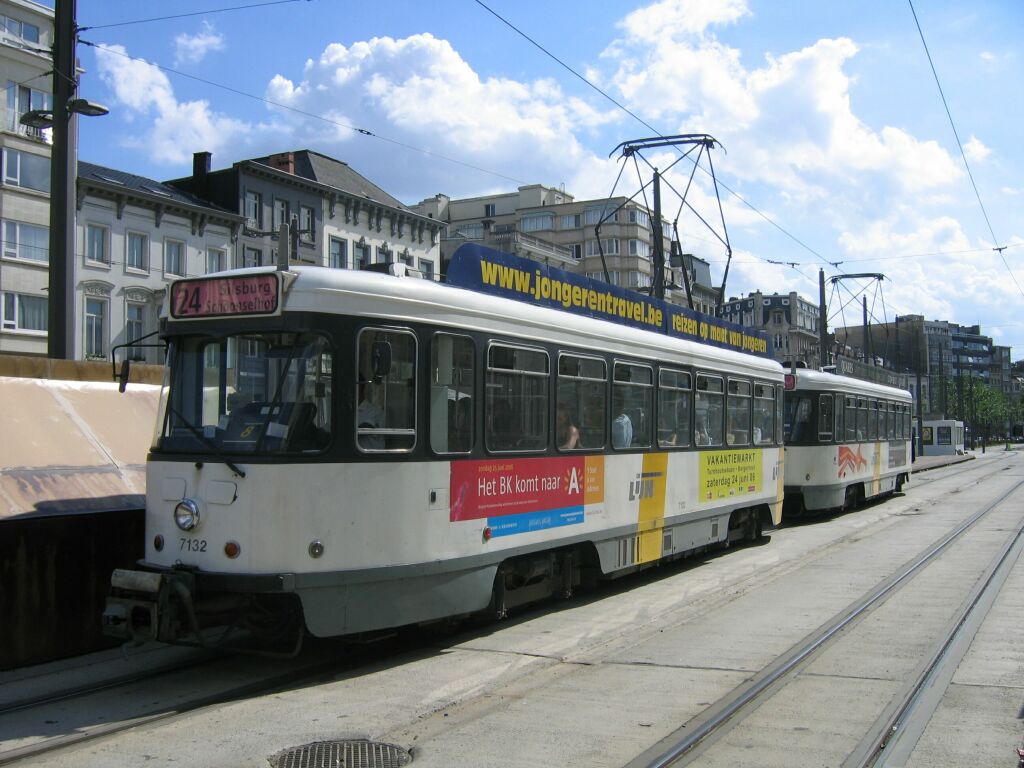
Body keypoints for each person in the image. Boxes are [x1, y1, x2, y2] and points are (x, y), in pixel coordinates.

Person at [358, 381, 385, 449]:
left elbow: (362, 429)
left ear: (359, 388)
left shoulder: (373, 410)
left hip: (371, 454)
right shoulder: (352, 410)